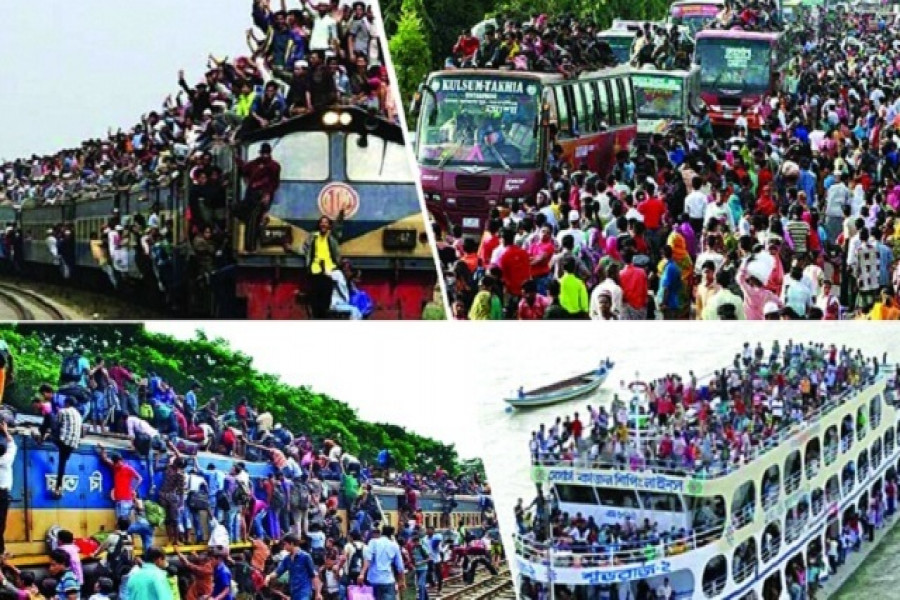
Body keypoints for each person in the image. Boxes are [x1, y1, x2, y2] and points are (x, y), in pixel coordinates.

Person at [235, 142, 281, 252]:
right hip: (250, 194)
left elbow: (274, 183)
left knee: (253, 219)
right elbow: (245, 168)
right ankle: (251, 243)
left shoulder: (274, 166)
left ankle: (250, 246)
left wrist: (267, 194)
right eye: (263, 153)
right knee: (239, 211)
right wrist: (237, 160)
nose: (264, 156)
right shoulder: (254, 163)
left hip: (262, 195)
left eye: (266, 153)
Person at [302, 216, 342, 319]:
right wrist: (290, 248)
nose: (323, 224)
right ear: (319, 225)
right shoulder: (313, 237)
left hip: (328, 273)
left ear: (329, 226)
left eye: (326, 223)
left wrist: (335, 267)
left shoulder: (332, 238)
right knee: (315, 302)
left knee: (325, 302)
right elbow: (304, 250)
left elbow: (337, 254)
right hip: (315, 272)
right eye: (321, 222)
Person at [266, 533, 322, 600]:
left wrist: (318, 593)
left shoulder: (305, 557)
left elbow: (314, 576)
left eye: (285, 544)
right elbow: (278, 572)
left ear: (292, 543)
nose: (284, 547)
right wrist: (268, 576)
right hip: (293, 592)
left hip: (304, 592)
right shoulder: (287, 559)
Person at [358, 526, 405, 600]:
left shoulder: (373, 542)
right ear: (392, 534)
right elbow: (400, 567)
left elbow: (368, 560)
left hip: (373, 579)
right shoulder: (395, 546)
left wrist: (362, 574)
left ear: (382, 532)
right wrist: (402, 581)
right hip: (388, 580)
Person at [96, 445, 142, 520]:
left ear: (121, 461)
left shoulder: (128, 468)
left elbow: (140, 478)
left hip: (126, 500)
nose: (116, 465)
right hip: (118, 499)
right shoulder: (115, 467)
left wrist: (133, 489)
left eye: (117, 463)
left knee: (124, 522)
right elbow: (105, 459)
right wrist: (103, 449)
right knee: (120, 522)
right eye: (115, 463)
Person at [0, 422, 14, 556]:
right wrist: (5, 431)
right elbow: (12, 445)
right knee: (1, 523)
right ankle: (1, 551)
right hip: (2, 495)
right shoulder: (6, 460)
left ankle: (2, 550)